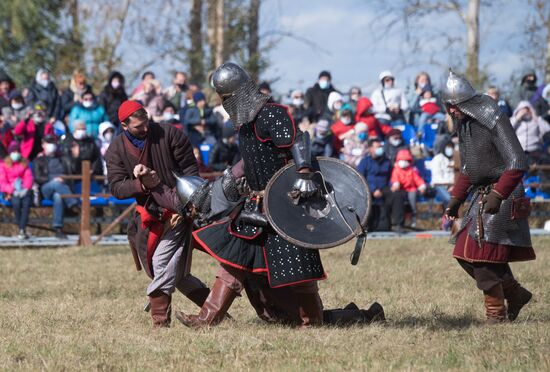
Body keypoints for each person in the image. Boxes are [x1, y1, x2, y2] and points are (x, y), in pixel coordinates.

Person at [177, 62, 384, 329]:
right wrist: (228, 180)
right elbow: (250, 161)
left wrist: (306, 173)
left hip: (286, 206)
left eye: (225, 98)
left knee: (299, 272)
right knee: (234, 262)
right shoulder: (246, 124)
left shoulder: (271, 114)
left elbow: (298, 140)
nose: (224, 103)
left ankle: (323, 321)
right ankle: (207, 319)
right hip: (254, 206)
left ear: (237, 93)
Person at [172, 166, 384, 328]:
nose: (192, 212)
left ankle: (365, 315)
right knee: (279, 314)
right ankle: (358, 314)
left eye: (192, 207)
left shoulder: (224, 195)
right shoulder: (219, 203)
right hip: (257, 245)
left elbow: (246, 167)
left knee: (305, 318)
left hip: (270, 233)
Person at [105, 100, 210, 328]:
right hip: (150, 216)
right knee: (178, 277)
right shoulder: (115, 150)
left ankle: (160, 324)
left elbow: (192, 172)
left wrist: (186, 207)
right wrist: (141, 185)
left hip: (181, 210)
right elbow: (116, 187)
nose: (144, 129)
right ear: (124, 125)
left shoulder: (170, 134)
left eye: (146, 123)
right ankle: (217, 315)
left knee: (163, 264)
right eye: (137, 127)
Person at [442, 70, 535, 323]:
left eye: (455, 105)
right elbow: (470, 169)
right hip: (482, 197)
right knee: (465, 253)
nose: (451, 111)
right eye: (448, 106)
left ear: (466, 102)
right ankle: (515, 294)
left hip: (502, 195)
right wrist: (455, 199)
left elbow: (517, 161)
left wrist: (498, 194)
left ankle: (496, 317)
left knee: (482, 258)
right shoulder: (465, 125)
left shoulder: (492, 116)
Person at [33, 135, 80, 239]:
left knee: (58, 197)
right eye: (48, 143)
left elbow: (73, 173)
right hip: (46, 187)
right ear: (43, 145)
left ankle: (58, 228)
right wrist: (52, 179)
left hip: (62, 188)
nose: (51, 145)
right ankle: (73, 204)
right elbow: (37, 178)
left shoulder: (63, 158)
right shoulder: (39, 160)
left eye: (53, 143)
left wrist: (76, 157)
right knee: (56, 184)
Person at [358, 138, 404, 232]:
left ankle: (397, 224)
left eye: (381, 147)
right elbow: (360, 178)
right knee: (363, 197)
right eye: (377, 147)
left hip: (384, 189)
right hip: (368, 189)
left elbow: (391, 176)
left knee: (397, 195)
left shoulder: (387, 161)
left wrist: (393, 184)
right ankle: (364, 225)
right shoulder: (365, 162)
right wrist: (373, 189)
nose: (380, 149)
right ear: (370, 149)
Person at [0, 142, 33, 239]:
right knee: (17, 203)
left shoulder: (24, 163)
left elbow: (29, 178)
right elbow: (2, 182)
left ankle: (21, 229)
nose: (16, 153)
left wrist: (26, 188)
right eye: (14, 151)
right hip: (12, 191)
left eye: (18, 151)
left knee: (27, 204)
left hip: (24, 190)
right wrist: (12, 189)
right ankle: (22, 229)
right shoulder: (3, 165)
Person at [390, 149, 427, 228]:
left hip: (411, 190)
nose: (403, 162)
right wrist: (396, 184)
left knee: (412, 200)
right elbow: (395, 179)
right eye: (401, 160)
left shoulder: (412, 170)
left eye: (405, 160)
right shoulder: (396, 170)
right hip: (400, 190)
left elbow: (418, 179)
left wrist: (422, 186)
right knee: (399, 200)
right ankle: (401, 220)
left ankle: (413, 218)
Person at [510, 101, 550, 165]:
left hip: (535, 152)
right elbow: (507, 129)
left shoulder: (536, 120)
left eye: (527, 109)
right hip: (519, 153)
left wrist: (536, 117)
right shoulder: (514, 120)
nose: (525, 112)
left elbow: (547, 129)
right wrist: (517, 118)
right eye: (523, 110)